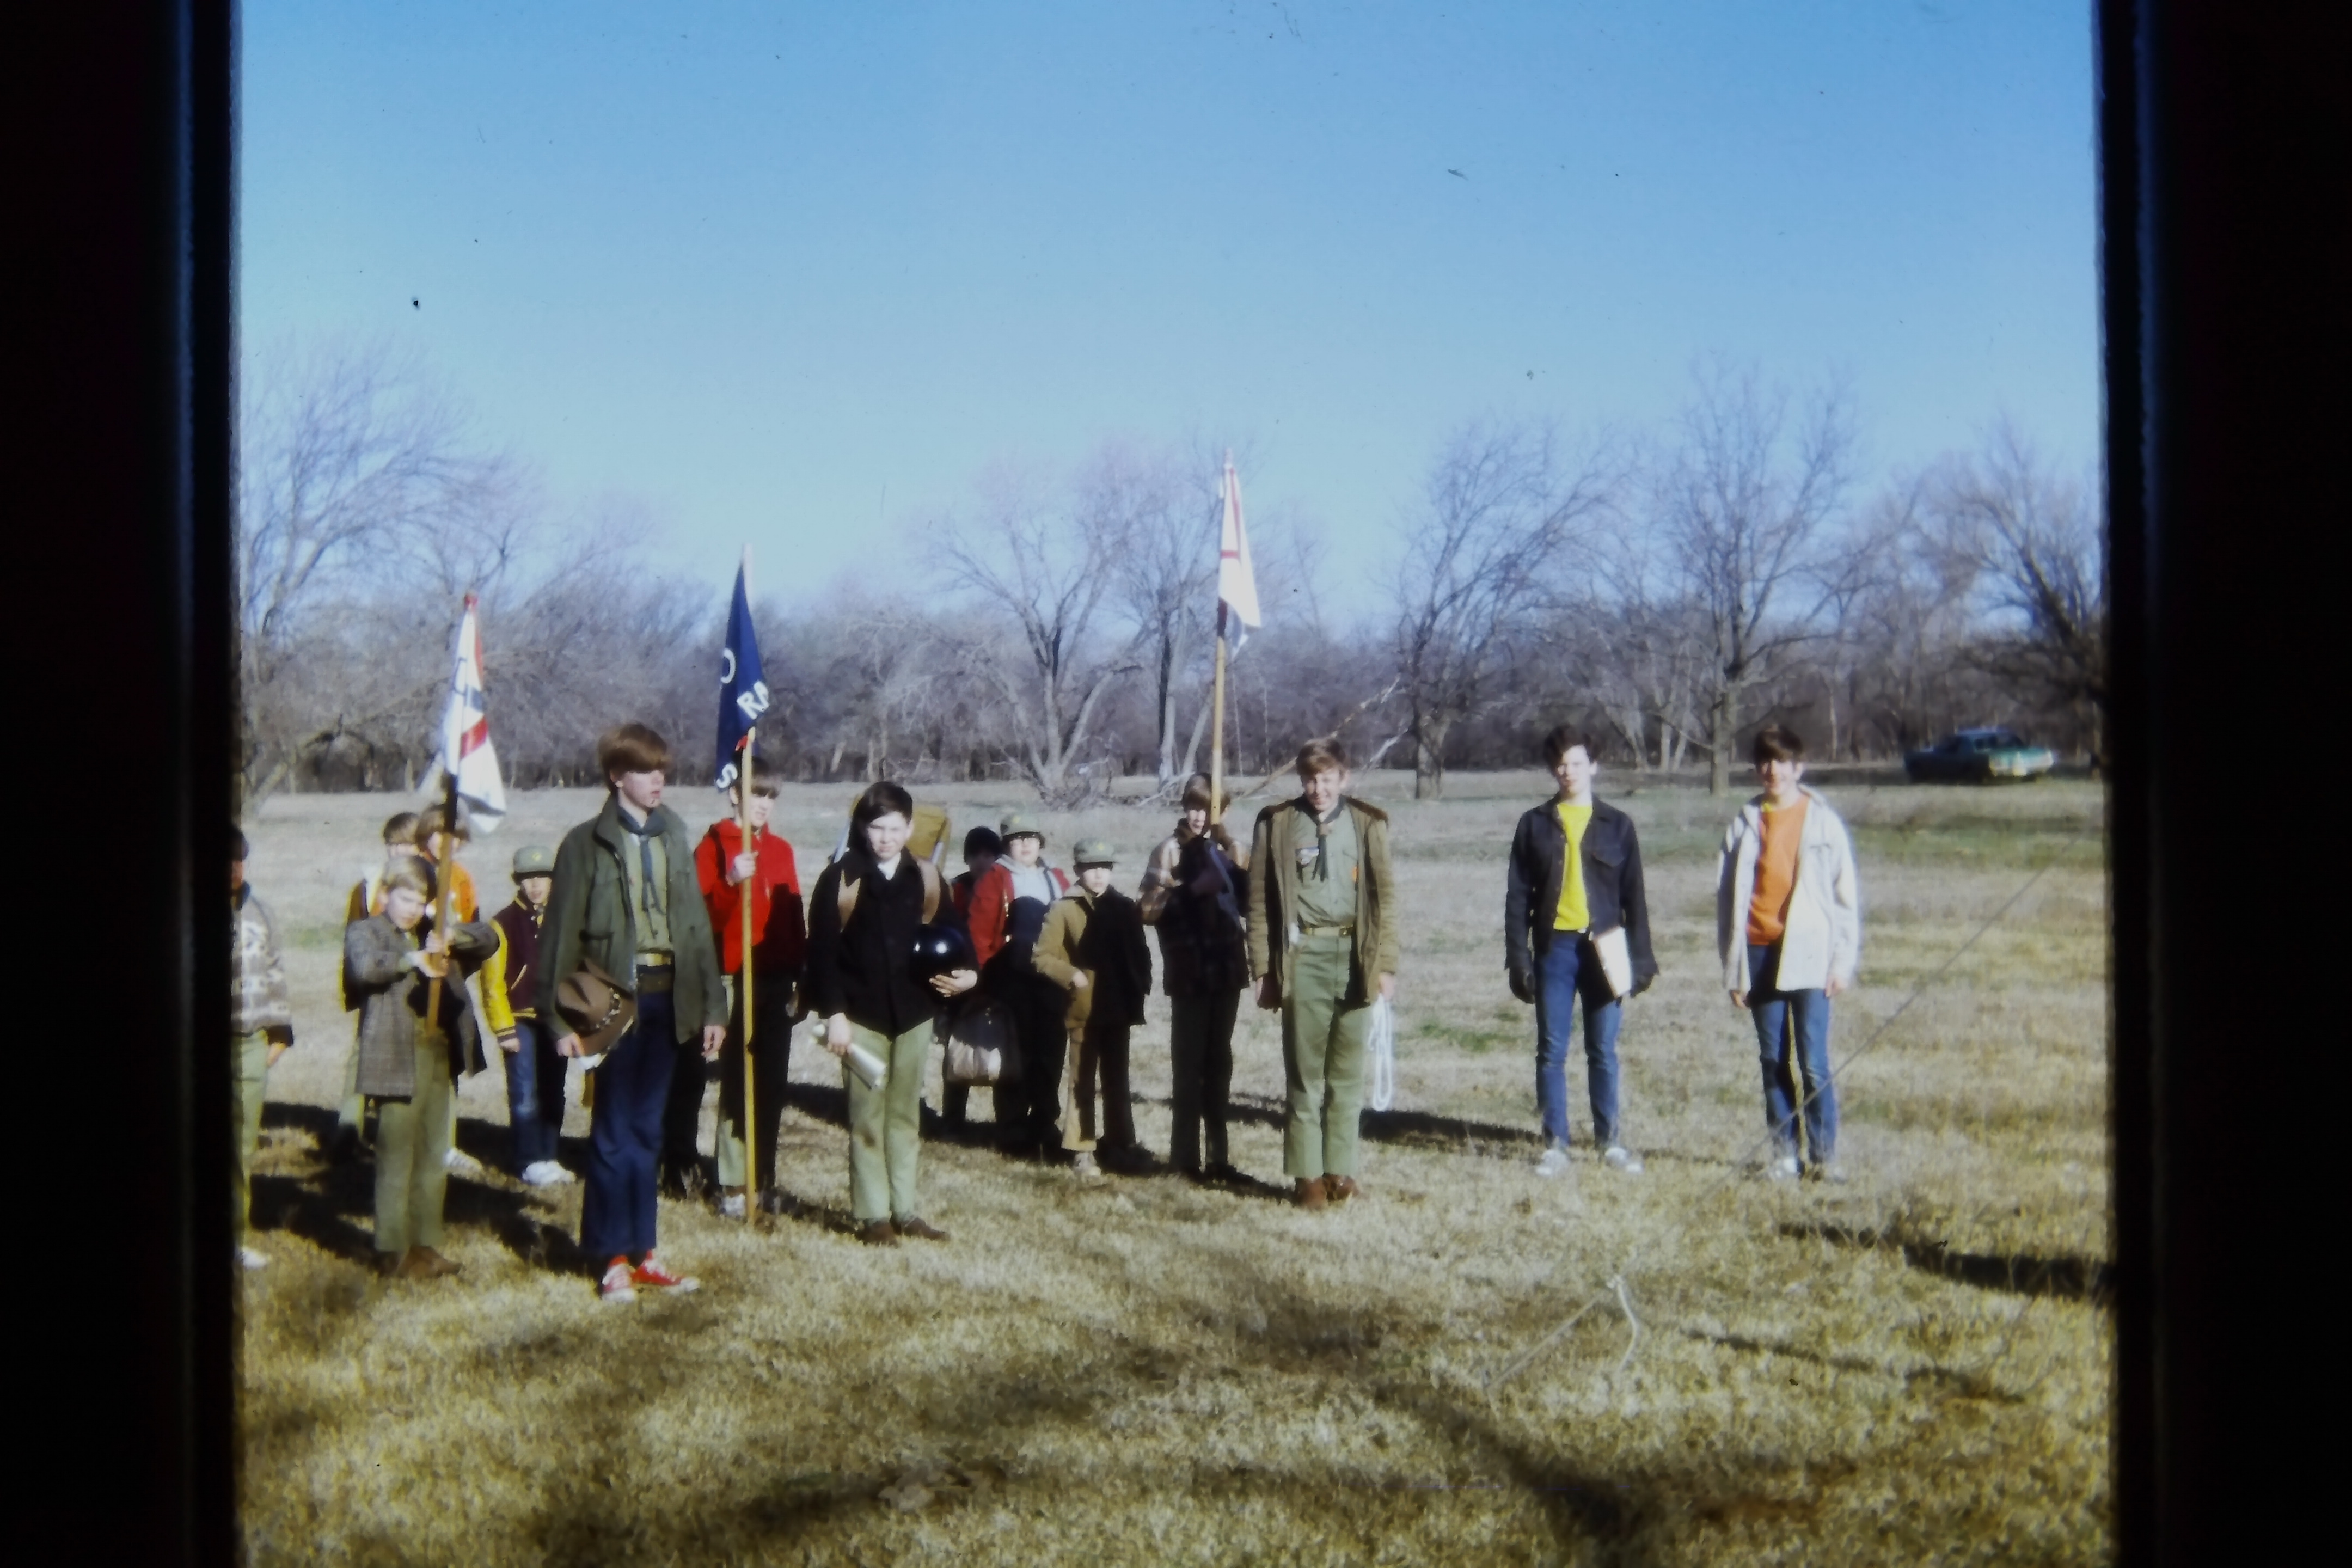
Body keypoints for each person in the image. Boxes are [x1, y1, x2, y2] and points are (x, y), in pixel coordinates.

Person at [541, 724, 728, 1303]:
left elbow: (696, 929)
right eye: (648, 771)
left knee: (649, 1131)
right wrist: (557, 1023)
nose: (659, 781)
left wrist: (712, 1007)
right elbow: (560, 937)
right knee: (614, 1132)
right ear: (617, 776)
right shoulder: (583, 844)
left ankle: (645, 1252)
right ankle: (609, 1256)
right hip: (613, 1002)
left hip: (671, 1000)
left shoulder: (675, 835)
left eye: (664, 771)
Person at [805, 781, 977, 1245]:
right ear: (862, 828)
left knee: (905, 1115)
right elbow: (821, 953)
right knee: (866, 1116)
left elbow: (955, 932)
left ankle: (905, 1208)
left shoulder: (924, 877)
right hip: (860, 1017)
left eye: (894, 828)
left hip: (915, 1014)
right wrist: (835, 1014)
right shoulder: (842, 879)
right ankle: (872, 1214)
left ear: (909, 827)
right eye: (876, 827)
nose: (884, 837)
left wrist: (971, 974)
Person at [1246, 738, 1400, 1210]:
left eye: (1327, 779)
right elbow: (1257, 903)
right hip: (1302, 956)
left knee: (1347, 1075)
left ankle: (1340, 1171)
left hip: (1355, 957)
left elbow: (1386, 901)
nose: (1318, 789)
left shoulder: (1368, 824)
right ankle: (1307, 1176)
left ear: (1344, 778)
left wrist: (1386, 965)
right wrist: (1263, 968)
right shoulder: (1277, 824)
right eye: (1311, 779)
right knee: (1305, 1075)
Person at [1503, 725, 1659, 1178]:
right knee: (1551, 1049)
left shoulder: (1618, 824)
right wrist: (1519, 959)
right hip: (1555, 949)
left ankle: (1609, 1142)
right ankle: (1555, 1144)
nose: (1567, 772)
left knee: (1603, 1049)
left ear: (1593, 766)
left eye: (1576, 763)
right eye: (1559, 764)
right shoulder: (1533, 824)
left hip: (1605, 950)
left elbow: (1635, 898)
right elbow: (1517, 899)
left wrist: (1642, 959)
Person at [1717, 724, 1861, 1181]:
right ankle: (1784, 1156)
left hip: (1810, 955)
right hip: (1759, 952)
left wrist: (1842, 962)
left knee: (1813, 1062)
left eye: (1781, 762)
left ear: (1799, 767)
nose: (1771, 771)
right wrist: (1735, 969)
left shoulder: (1822, 820)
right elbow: (1727, 901)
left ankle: (1824, 1157)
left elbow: (1845, 899)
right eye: (1763, 762)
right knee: (1772, 1059)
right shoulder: (1744, 822)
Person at [343, 857, 497, 1280]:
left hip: (438, 1052)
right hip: (395, 1054)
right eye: (404, 898)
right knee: (396, 1156)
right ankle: (392, 1249)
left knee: (432, 1155)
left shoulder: (436, 934)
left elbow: (489, 942)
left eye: (420, 901)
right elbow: (365, 968)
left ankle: (425, 1245)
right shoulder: (366, 931)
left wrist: (451, 933)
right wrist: (413, 959)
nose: (412, 908)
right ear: (386, 895)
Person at [694, 754, 808, 1220]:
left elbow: (793, 912)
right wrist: (729, 881)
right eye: (756, 794)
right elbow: (701, 920)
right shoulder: (714, 845)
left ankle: (764, 1175)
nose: (763, 804)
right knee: (739, 1081)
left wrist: (802, 972)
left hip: (776, 977)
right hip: (734, 975)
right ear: (734, 794)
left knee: (772, 1081)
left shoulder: (780, 850)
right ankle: (734, 1181)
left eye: (770, 796)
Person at [1138, 775, 1250, 1181]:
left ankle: (1219, 1159)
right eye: (1195, 807)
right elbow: (1148, 910)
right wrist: (1188, 889)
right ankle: (1185, 1160)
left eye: (1211, 808)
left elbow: (1251, 905)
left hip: (1227, 968)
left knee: (1220, 1063)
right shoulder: (1169, 851)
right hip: (1189, 971)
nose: (1201, 816)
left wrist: (1235, 874)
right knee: (1188, 1066)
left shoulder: (1233, 850)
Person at [1034, 838, 1153, 1178]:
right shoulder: (1063, 908)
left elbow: (1139, 953)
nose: (1098, 875)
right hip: (1083, 1009)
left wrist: (1141, 983)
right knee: (1081, 1079)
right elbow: (1042, 956)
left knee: (1117, 1080)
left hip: (1118, 1007)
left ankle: (1119, 1143)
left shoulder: (1123, 906)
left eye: (1104, 868)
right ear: (1078, 871)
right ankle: (1081, 1148)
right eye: (1090, 869)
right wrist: (1071, 975)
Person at [965, 811, 1073, 1152]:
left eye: (1031, 838)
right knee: (1016, 1052)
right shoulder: (995, 879)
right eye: (1017, 839)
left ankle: (1045, 1121)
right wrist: (980, 982)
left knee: (1051, 1050)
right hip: (1011, 978)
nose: (1025, 845)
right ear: (1007, 844)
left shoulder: (1056, 877)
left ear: (1040, 843)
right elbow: (979, 935)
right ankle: (1012, 1126)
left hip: (1051, 979)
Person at [480, 844, 571, 1187]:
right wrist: (504, 1029)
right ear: (518, 882)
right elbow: (493, 983)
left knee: (553, 1090)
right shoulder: (502, 923)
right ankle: (527, 1159)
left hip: (555, 1019)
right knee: (524, 1092)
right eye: (528, 878)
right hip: (519, 1019)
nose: (536, 885)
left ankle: (549, 1156)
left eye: (543, 878)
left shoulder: (564, 918)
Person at [333, 812, 420, 1157]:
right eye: (393, 844)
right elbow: (354, 939)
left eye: (408, 844)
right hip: (377, 983)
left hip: (415, 987)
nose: (399, 851)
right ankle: (347, 1132)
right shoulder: (369, 886)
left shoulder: (426, 883)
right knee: (363, 1056)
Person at [230, 826, 294, 1271]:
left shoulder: (259, 912)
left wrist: (279, 1034)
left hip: (249, 1042)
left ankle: (233, 1238)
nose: (233, 869)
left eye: (239, 859)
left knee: (239, 1147)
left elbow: (274, 973)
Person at [941, 825, 1004, 1130]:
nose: (982, 861)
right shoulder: (956, 889)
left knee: (1001, 1048)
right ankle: (953, 1117)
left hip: (998, 975)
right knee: (957, 1046)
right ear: (966, 858)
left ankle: (1004, 1119)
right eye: (976, 855)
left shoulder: (1006, 888)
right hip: (960, 979)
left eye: (989, 855)